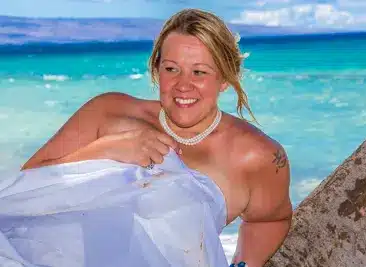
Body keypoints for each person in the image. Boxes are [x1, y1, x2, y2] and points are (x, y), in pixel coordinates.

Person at [17, 8, 292, 267]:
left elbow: (269, 219)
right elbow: (24, 190)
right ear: (156, 70)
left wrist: (243, 263)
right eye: (171, 69)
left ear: (224, 79)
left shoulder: (256, 155)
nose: (183, 85)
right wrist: (107, 149)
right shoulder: (107, 114)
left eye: (199, 72)